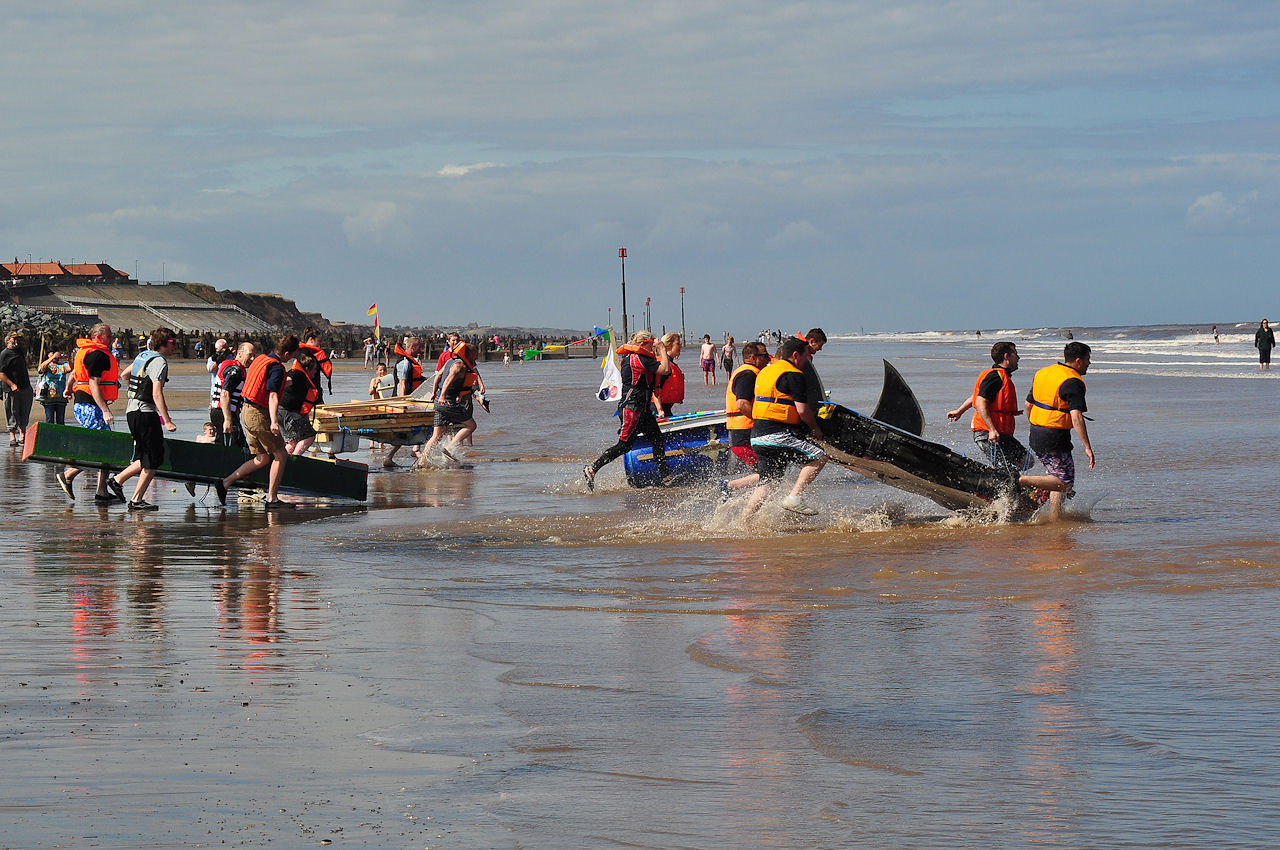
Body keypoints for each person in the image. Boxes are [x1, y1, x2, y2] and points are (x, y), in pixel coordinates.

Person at [946, 341, 1064, 495]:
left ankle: (995, 481)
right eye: (1016, 353)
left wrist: (960, 410)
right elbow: (981, 401)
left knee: (1026, 461)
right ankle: (1001, 494)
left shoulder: (1002, 377)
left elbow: (977, 396)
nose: (1019, 357)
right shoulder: (995, 376)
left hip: (1002, 435)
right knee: (1007, 472)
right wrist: (992, 429)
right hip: (987, 433)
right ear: (1007, 356)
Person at [742, 336, 828, 519]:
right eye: (805, 357)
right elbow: (803, 410)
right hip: (777, 434)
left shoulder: (765, 372)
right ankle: (794, 497)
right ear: (796, 355)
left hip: (757, 436)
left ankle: (744, 521)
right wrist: (815, 428)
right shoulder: (794, 374)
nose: (806, 361)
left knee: (768, 483)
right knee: (819, 456)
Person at [216, 334, 300, 509]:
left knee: (262, 458)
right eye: (292, 355)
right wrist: (274, 421)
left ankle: (225, 483)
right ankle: (272, 499)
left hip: (245, 412)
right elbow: (272, 395)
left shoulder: (261, 359)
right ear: (286, 353)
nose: (291, 359)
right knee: (281, 455)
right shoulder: (276, 368)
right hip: (258, 414)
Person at [584, 330, 671, 490]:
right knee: (624, 445)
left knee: (657, 438)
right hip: (632, 409)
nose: (653, 348)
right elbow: (665, 369)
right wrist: (663, 349)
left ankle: (665, 476)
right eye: (651, 344)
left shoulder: (631, 358)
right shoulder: (641, 359)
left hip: (641, 410)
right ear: (644, 343)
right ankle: (592, 469)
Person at [107, 328, 179, 511]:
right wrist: (167, 420)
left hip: (132, 411)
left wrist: (135, 392)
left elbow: (124, 375)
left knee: (144, 455)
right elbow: (156, 394)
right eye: (172, 343)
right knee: (154, 459)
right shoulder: (160, 362)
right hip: (145, 412)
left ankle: (119, 481)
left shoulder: (143, 356)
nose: (175, 347)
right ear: (163, 343)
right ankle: (134, 498)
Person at [1026, 341, 1096, 520]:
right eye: (1088, 360)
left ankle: (1055, 517)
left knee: (1055, 476)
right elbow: (1076, 417)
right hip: (1054, 436)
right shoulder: (1072, 382)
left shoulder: (1044, 373)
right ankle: (1019, 480)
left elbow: (1028, 403)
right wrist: (1087, 447)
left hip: (1037, 432)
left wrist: (1033, 426)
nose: (1089, 364)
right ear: (1078, 361)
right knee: (1065, 483)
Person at [58, 324, 121, 502]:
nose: (111, 338)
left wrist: (68, 389)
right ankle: (69, 475)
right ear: (98, 337)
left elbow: (75, 374)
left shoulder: (85, 351)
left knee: (105, 447)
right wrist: (105, 410)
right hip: (89, 406)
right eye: (109, 336)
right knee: (103, 447)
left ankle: (102, 492)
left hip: (85, 404)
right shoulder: (97, 355)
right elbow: (93, 384)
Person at [719, 341, 770, 499]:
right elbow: (741, 404)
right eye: (764, 356)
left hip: (743, 433)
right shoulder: (748, 374)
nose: (768, 359)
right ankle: (728, 486)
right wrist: (762, 421)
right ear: (754, 358)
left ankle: (756, 506)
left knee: (767, 473)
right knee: (770, 473)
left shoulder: (749, 372)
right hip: (743, 433)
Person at [421, 342, 481, 466]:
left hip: (439, 401)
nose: (477, 357)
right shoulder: (459, 366)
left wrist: (434, 393)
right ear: (469, 354)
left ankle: (422, 461)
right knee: (471, 426)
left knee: (437, 435)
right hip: (448, 401)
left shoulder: (450, 361)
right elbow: (448, 379)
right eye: (475, 354)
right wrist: (443, 396)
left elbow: (438, 376)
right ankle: (449, 448)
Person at [384, 336, 427, 468]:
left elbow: (413, 379)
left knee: (405, 431)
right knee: (409, 429)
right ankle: (416, 452)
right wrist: (403, 403)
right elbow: (402, 383)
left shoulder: (410, 361)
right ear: (412, 347)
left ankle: (391, 457)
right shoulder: (404, 362)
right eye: (419, 347)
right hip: (404, 401)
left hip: (411, 400)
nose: (420, 349)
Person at [279, 349, 322, 455]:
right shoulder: (298, 374)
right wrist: (275, 388)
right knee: (310, 435)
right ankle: (295, 459)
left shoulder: (301, 376)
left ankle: (282, 462)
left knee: (292, 442)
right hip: (287, 412)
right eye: (314, 369)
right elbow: (288, 380)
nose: (316, 372)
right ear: (307, 369)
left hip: (280, 412)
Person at [217, 342, 256, 449]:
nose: (252, 359)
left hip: (226, 413)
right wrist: (228, 419)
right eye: (249, 355)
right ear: (239, 353)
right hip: (223, 412)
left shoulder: (239, 370)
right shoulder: (235, 371)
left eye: (254, 356)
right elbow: (224, 394)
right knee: (239, 446)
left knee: (222, 443)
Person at [0, 332, 34, 446]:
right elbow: (1, 373)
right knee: (11, 412)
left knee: (24, 411)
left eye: (17, 339)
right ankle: (12, 437)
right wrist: (12, 384)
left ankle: (22, 435)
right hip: (10, 389)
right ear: (8, 340)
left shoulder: (20, 351)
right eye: (14, 339)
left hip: (25, 386)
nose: (16, 341)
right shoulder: (4, 354)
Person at [35, 348, 71, 424]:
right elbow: (41, 368)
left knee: (60, 421)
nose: (55, 355)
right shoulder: (47, 365)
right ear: (48, 354)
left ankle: (60, 436)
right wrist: (52, 357)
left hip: (61, 398)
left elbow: (70, 368)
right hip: (48, 398)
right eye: (52, 353)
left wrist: (68, 359)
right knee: (49, 420)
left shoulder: (62, 365)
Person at [653, 332, 685, 418]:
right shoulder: (664, 365)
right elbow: (655, 389)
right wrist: (660, 410)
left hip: (665, 408)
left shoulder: (672, 364)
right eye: (678, 344)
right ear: (669, 346)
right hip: (656, 409)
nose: (680, 346)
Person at [206, 338, 232, 434]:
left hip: (228, 391)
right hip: (215, 392)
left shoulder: (231, 358)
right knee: (215, 414)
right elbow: (210, 369)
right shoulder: (211, 359)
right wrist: (217, 361)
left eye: (224, 348)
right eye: (220, 349)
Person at [297, 326, 334, 394]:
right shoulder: (308, 354)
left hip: (308, 392)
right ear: (311, 340)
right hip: (309, 393)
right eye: (318, 341)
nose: (319, 344)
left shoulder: (300, 353)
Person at [799, 328, 828, 406]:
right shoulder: (800, 353)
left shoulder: (806, 354)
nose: (821, 349)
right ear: (812, 342)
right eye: (820, 345)